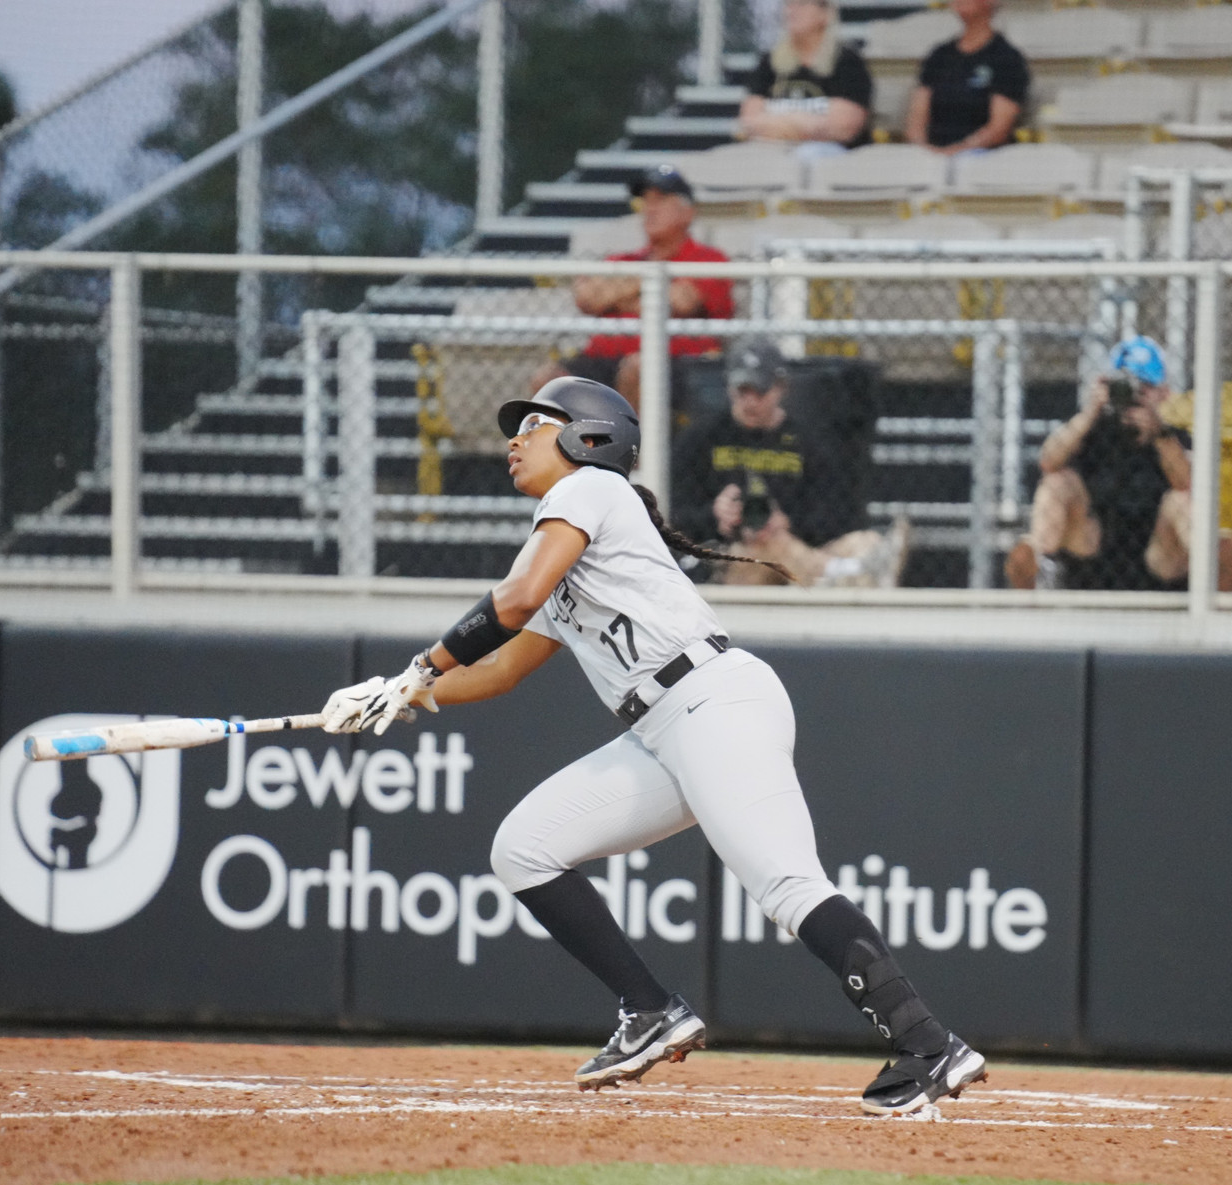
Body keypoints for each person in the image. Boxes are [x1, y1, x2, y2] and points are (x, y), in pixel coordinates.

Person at [318, 376, 986, 1115]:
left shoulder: (588, 491)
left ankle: (928, 1044)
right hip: (664, 727)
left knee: (788, 885)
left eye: (533, 425)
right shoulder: (565, 535)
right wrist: (403, 693)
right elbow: (504, 667)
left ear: (588, 437)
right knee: (523, 848)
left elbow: (510, 603)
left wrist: (421, 667)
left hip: (711, 702)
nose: (513, 439)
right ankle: (651, 1010)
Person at [1005, 335, 1232, 592]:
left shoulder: (1173, 435)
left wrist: (1160, 433)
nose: (1134, 396)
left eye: (1144, 389)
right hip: (1091, 544)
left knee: (1181, 499)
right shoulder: (1093, 429)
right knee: (1056, 482)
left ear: (1164, 393)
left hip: (1159, 555)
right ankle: (1041, 569)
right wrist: (1090, 412)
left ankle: (1211, 574)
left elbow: (1187, 482)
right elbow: (1048, 461)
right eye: (1126, 387)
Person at [673, 337, 907, 587]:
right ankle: (837, 573)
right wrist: (716, 516)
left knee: (865, 543)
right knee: (766, 545)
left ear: (780, 387)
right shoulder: (701, 439)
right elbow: (676, 516)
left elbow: (836, 516)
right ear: (729, 388)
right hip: (728, 560)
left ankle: (835, 571)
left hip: (796, 551)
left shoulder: (808, 442)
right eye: (742, 391)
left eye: (760, 391)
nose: (750, 402)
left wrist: (788, 523)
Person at [530, 166, 733, 409]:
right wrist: (652, 283)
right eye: (645, 201)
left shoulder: (707, 259)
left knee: (637, 368)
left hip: (676, 362)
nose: (650, 209)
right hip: (604, 358)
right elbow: (588, 297)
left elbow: (681, 301)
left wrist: (618, 294)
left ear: (687, 212)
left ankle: (631, 447)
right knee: (547, 379)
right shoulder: (624, 260)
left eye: (661, 200)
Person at [737, 0, 873, 157]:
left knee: (807, 155)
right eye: (788, 5)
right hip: (773, 149)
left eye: (801, 4)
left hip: (832, 156)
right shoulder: (770, 62)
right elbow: (749, 122)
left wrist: (777, 123)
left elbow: (842, 128)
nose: (791, 11)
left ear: (825, 13)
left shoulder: (847, 62)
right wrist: (804, 123)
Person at [905, 0, 1029, 155]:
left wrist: (956, 151)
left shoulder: (1006, 58)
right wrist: (923, 150)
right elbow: (916, 119)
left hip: (982, 157)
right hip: (932, 156)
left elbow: (998, 129)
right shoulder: (939, 56)